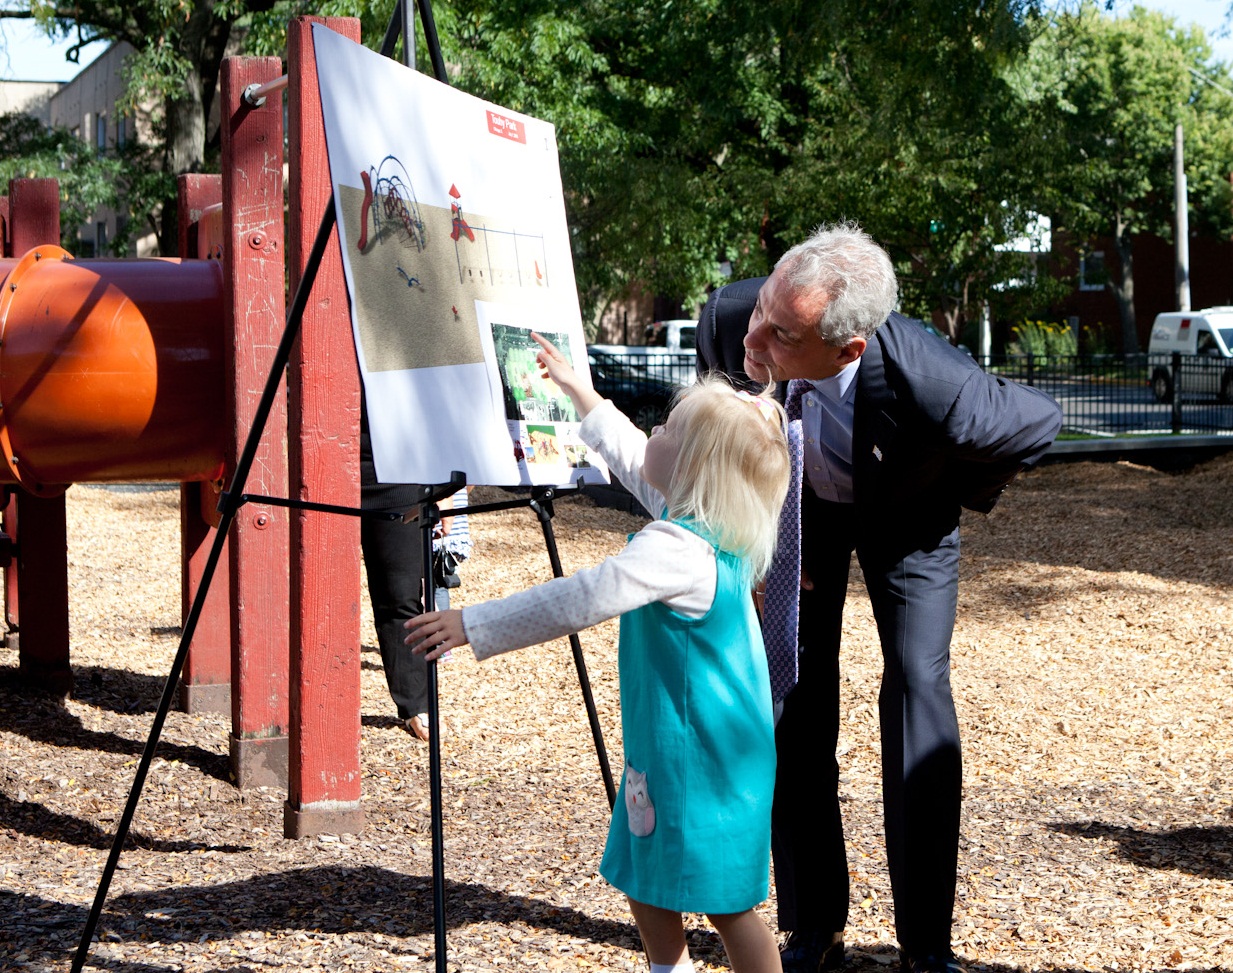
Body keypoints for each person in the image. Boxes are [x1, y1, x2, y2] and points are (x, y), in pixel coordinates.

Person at [696, 224, 1063, 973]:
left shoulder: (939, 383)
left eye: (783, 332)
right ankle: (812, 926)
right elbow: (719, 432)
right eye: (763, 308)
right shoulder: (731, 317)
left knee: (916, 693)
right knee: (789, 693)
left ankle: (924, 945)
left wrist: (932, 481)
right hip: (801, 511)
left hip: (905, 515)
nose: (756, 335)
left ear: (847, 348)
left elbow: (1036, 426)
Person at [406, 333, 791, 973]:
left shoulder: (677, 547)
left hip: (702, 759)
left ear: (693, 468)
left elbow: (583, 596)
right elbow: (635, 455)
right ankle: (669, 968)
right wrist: (580, 392)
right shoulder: (710, 519)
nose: (654, 433)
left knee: (727, 903)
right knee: (645, 870)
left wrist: (476, 622)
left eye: (666, 428)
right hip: (689, 749)